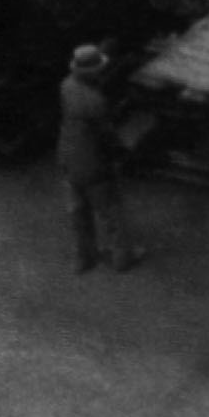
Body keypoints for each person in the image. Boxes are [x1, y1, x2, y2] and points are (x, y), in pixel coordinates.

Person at [56, 43, 141, 273]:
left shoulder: (66, 86)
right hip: (93, 164)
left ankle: (83, 260)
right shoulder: (95, 101)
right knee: (110, 213)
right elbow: (106, 136)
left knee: (78, 213)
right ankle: (122, 258)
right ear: (94, 72)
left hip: (68, 156)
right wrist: (120, 152)